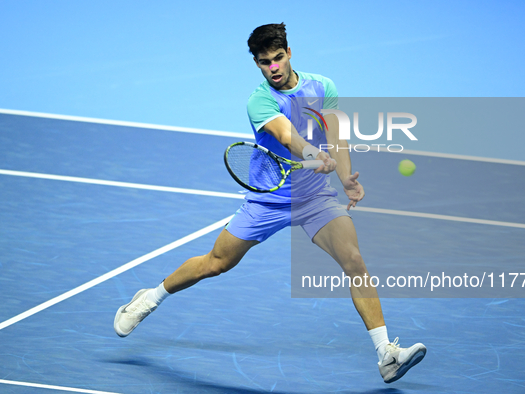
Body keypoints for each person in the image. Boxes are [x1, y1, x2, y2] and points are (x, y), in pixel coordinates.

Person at [114, 22, 426, 384]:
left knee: (354, 261)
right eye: (265, 62)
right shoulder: (259, 100)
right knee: (216, 263)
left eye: (278, 58)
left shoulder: (323, 87)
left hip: (314, 198)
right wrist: (311, 152)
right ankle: (149, 298)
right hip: (269, 199)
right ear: (257, 64)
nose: (273, 67)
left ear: (290, 53)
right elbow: (286, 135)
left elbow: (337, 136)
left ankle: (386, 353)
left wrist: (345, 178)